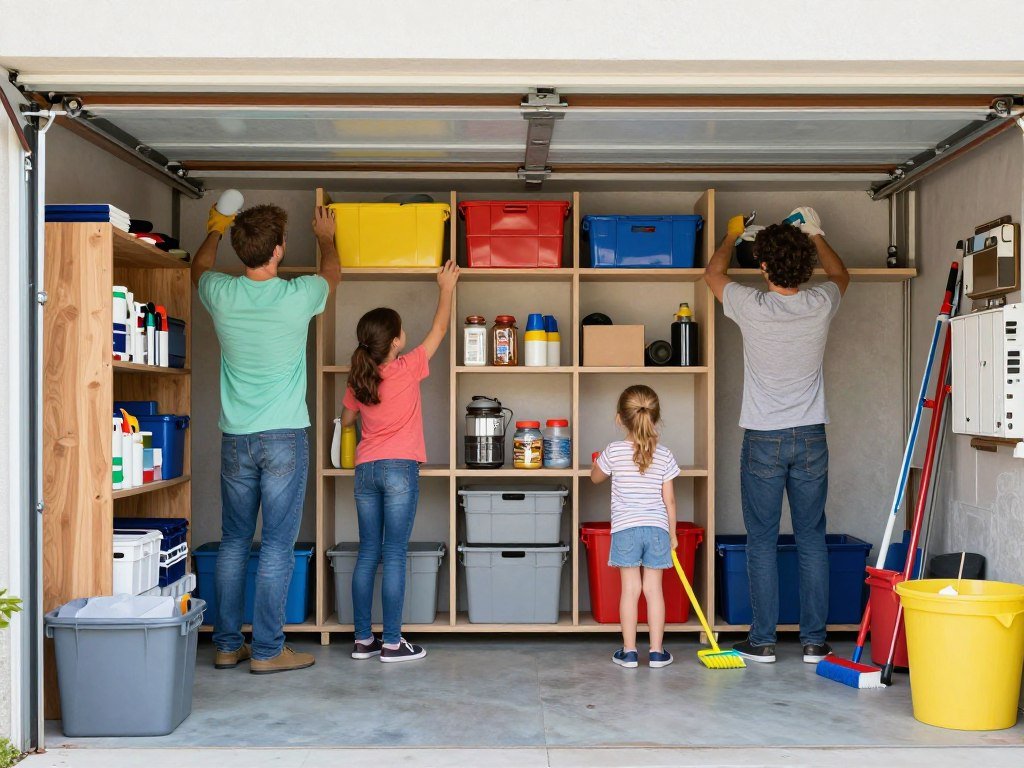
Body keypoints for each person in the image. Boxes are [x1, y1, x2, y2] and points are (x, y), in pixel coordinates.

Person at [192, 202, 342, 674]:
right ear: (278, 250)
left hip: (236, 439)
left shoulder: (220, 293)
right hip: (283, 437)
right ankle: (267, 650)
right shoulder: (300, 294)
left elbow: (198, 268)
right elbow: (333, 275)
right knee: (277, 545)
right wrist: (325, 238)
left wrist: (215, 230)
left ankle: (226, 645)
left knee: (235, 541)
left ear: (240, 249)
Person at [704, 206, 849, 664]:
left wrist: (730, 237)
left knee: (762, 540)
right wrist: (816, 233)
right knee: (811, 538)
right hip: (810, 437)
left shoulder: (751, 306)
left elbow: (713, 274)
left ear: (763, 266)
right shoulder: (821, 303)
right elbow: (841, 274)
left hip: (764, 439)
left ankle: (763, 641)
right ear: (806, 266)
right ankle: (814, 642)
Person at [339, 261, 459, 662]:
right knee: (393, 553)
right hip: (399, 469)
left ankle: (363, 641)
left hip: (365, 470)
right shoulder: (407, 368)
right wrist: (446, 287)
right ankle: (392, 642)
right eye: (402, 330)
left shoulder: (359, 378)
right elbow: (439, 329)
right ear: (394, 342)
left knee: (368, 552)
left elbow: (348, 420)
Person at [591, 384, 681, 669]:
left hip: (626, 529)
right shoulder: (664, 454)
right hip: (657, 529)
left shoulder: (613, 451)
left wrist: (598, 462)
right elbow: (670, 500)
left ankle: (629, 652)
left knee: (630, 590)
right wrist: (673, 534)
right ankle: (656, 652)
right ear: (656, 418)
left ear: (620, 419)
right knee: (654, 590)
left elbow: (595, 478)